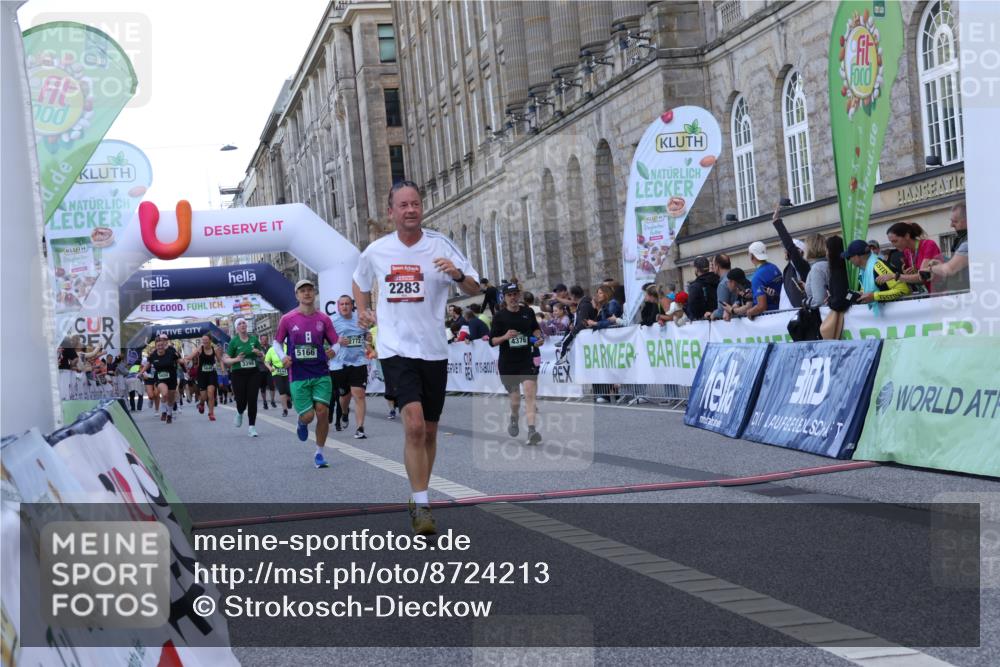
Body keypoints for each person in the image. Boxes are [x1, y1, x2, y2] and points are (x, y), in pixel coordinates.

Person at [353, 179, 480, 535]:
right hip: (396, 348)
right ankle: (422, 503)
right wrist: (363, 310)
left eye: (415, 204)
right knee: (412, 424)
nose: (411, 210)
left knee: (429, 429)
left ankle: (420, 494)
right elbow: (359, 281)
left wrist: (456, 274)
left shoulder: (440, 245)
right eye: (403, 205)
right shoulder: (377, 251)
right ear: (391, 211)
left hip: (433, 349)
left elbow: (475, 286)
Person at [273, 279, 339, 468]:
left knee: (323, 412)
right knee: (309, 416)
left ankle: (319, 453)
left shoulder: (324, 319)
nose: (307, 293)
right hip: (298, 374)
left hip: (321, 372)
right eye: (303, 291)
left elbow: (335, 341)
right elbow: (276, 342)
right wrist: (283, 357)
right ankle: (302, 422)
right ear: (297, 295)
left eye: (310, 290)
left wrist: (334, 350)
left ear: (314, 293)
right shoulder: (287, 319)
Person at [490, 283, 544, 445]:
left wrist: (539, 338)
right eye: (510, 295)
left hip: (526, 360)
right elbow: (492, 341)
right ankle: (514, 417)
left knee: (529, 394)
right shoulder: (500, 316)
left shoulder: (527, 312)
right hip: (508, 363)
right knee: (515, 400)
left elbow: (535, 329)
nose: (513, 297)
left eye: (515, 294)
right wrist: (505, 337)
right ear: (504, 298)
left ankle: (532, 430)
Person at [329, 294, 370, 439]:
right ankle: (344, 412)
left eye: (347, 304)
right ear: (338, 306)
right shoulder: (332, 321)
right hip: (339, 364)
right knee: (344, 396)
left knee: (359, 393)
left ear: (352, 305)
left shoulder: (359, 318)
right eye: (342, 304)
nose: (345, 306)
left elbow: (367, 336)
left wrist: (369, 343)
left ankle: (360, 428)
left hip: (358, 362)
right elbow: (324, 340)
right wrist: (337, 341)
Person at [223, 318, 265, 437]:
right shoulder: (234, 342)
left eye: (244, 323)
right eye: (240, 324)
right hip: (238, 373)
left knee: (252, 399)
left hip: (253, 373)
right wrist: (236, 359)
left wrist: (259, 353)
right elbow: (225, 359)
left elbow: (263, 358)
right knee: (241, 400)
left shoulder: (253, 339)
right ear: (237, 328)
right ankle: (240, 412)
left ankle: (252, 427)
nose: (242, 325)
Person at [843, 239, 911, 313]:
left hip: (899, 313)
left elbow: (903, 290)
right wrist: (862, 294)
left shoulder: (877, 266)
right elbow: (869, 291)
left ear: (857, 257)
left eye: (848, 257)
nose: (849, 260)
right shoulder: (864, 269)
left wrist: (875, 296)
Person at [879, 221, 942, 293]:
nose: (893, 245)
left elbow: (922, 276)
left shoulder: (928, 244)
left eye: (895, 241)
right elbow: (918, 276)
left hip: (944, 292)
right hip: (931, 293)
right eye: (891, 242)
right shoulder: (907, 252)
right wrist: (909, 274)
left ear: (907, 236)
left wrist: (895, 276)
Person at [922, 202, 969, 288]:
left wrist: (931, 269)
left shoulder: (969, 241)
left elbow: (950, 269)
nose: (951, 225)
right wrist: (941, 264)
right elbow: (958, 267)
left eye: (955, 221)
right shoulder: (961, 238)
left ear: (968, 220)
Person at [733, 241, 782, 319]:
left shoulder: (757, 277)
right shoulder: (774, 267)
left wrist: (749, 312)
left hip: (769, 318)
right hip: (781, 312)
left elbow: (761, 306)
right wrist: (753, 293)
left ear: (752, 256)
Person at [143, 334, 180, 424]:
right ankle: (164, 411)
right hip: (160, 378)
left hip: (172, 377)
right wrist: (141, 372)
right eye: (158, 345)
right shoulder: (153, 355)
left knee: (171, 398)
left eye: (161, 345)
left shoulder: (171, 352)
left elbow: (178, 361)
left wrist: (184, 362)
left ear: (164, 345)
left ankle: (169, 414)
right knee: (165, 393)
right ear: (156, 346)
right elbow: (148, 364)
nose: (160, 347)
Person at [187, 334, 223, 421]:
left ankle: (211, 413)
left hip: (211, 374)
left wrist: (222, 369)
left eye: (206, 340)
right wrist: (186, 360)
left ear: (210, 340)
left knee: (211, 393)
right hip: (202, 375)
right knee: (204, 396)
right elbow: (190, 357)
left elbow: (220, 360)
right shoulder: (200, 349)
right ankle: (201, 403)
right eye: (203, 340)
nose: (204, 342)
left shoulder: (215, 349)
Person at [264, 338, 292, 417]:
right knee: (282, 390)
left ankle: (289, 399)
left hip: (287, 370)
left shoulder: (287, 347)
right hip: (276, 372)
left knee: (289, 390)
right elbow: (266, 362)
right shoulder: (271, 350)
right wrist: (270, 368)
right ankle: (285, 410)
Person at [803, 234, 829, 307]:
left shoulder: (817, 268)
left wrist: (804, 302)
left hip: (824, 315)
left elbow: (819, 300)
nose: (803, 250)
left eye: (805, 247)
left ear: (810, 248)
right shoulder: (825, 264)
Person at [709, 254, 733, 320]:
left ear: (717, 266)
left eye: (713, 265)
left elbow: (721, 311)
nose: (712, 268)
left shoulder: (723, 284)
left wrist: (712, 314)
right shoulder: (736, 277)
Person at [257, 332, 276, 410]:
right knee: (263, 387)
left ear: (268, 340)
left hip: (270, 370)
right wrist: (266, 359)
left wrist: (268, 360)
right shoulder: (258, 349)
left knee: (272, 386)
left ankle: (272, 400)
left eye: (266, 339)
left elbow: (274, 357)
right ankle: (265, 402)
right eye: (263, 339)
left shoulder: (271, 347)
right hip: (261, 370)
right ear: (260, 340)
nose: (264, 341)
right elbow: (257, 359)